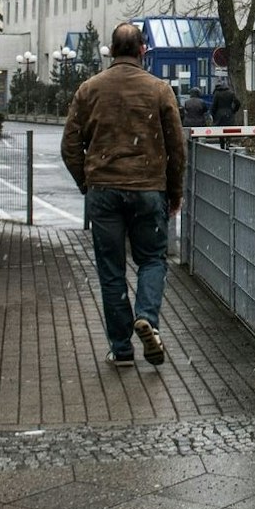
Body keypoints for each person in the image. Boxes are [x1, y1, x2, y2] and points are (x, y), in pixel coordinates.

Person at [61, 21, 186, 368]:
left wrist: (88, 182)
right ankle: (146, 317)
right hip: (148, 189)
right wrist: (173, 192)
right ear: (143, 50)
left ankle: (122, 348)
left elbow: (70, 145)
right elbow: (177, 148)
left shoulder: (89, 90)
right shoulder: (159, 90)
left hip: (104, 191)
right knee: (151, 259)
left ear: (112, 51)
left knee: (111, 270)